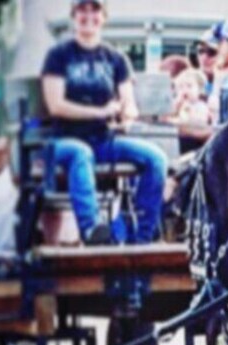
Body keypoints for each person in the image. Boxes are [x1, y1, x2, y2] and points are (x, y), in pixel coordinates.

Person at [40, 0, 168, 245]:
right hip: (63, 142)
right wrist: (100, 112)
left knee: (156, 159)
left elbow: (128, 102)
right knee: (81, 153)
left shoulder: (115, 58)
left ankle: (139, 234)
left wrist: (127, 114)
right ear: (73, 16)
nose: (89, 16)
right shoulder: (59, 56)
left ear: (104, 17)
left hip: (104, 141)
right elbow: (56, 105)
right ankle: (92, 231)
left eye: (95, 10)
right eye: (82, 10)